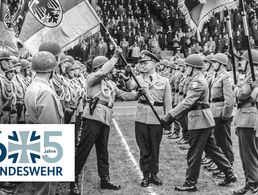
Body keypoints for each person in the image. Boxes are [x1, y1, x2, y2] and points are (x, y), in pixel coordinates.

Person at [160, 54, 237, 192]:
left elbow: (187, 102)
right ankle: (229, 173)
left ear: (193, 68)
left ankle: (190, 182)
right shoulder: (197, 79)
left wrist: (169, 117)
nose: (185, 69)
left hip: (199, 120)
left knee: (194, 152)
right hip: (202, 120)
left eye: (187, 66)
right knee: (212, 150)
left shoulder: (198, 82)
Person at [71, 47, 142, 195]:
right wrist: (115, 58)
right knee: (84, 150)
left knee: (103, 151)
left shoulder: (110, 83)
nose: (111, 70)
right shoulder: (91, 78)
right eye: (108, 67)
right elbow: (103, 72)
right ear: (98, 68)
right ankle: (73, 180)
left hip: (105, 119)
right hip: (92, 118)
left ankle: (105, 179)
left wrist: (136, 95)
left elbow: (121, 95)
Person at [126, 50, 172, 187]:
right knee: (144, 149)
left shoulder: (164, 81)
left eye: (145, 63)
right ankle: (145, 175)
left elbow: (167, 103)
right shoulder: (138, 79)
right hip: (141, 118)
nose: (142, 66)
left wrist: (167, 120)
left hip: (156, 118)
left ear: (153, 63)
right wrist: (128, 75)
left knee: (155, 148)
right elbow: (129, 87)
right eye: (141, 63)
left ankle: (154, 174)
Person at [24, 51, 64, 195]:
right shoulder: (45, 91)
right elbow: (51, 128)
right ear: (52, 70)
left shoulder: (32, 86)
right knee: (46, 188)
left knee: (34, 187)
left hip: (33, 141)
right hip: (45, 145)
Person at [234, 49, 258, 195]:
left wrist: (237, 89)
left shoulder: (253, 77)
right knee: (244, 154)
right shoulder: (248, 77)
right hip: (243, 117)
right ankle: (249, 182)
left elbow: (241, 94)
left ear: (250, 62)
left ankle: (253, 184)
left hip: (249, 117)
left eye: (243, 60)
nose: (240, 62)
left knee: (249, 154)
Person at [210, 53, 234, 171]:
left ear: (221, 64)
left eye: (215, 62)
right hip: (215, 111)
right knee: (217, 140)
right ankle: (222, 165)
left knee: (225, 142)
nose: (212, 64)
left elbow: (229, 99)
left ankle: (228, 164)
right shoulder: (216, 76)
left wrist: (225, 115)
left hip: (222, 114)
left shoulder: (225, 77)